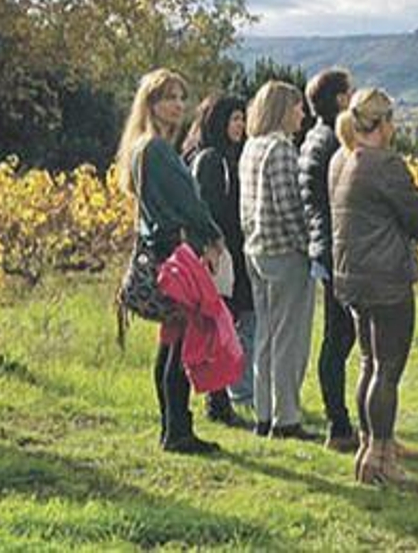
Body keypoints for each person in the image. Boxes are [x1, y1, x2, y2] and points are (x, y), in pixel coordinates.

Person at [113, 68, 227, 454]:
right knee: (181, 343)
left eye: (182, 96)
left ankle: (173, 427)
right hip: (174, 253)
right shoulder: (157, 150)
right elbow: (189, 204)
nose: (179, 104)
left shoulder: (141, 148)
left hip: (160, 250)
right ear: (152, 104)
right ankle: (178, 429)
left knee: (172, 341)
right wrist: (213, 236)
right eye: (170, 97)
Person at [329, 88, 418, 488]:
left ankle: (367, 448)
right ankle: (381, 456)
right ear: (384, 123)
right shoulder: (386, 165)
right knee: (388, 369)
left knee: (368, 363)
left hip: (352, 277)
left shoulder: (347, 161)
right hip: (386, 277)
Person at [240, 80, 318, 441]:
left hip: (256, 249)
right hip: (285, 252)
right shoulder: (282, 150)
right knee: (290, 338)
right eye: (297, 106)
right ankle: (287, 418)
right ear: (284, 109)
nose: (303, 113)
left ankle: (264, 413)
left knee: (266, 336)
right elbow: (290, 208)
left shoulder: (251, 147)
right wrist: (310, 247)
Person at [182, 93, 255, 429]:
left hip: (227, 250)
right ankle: (219, 401)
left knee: (224, 323)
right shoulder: (212, 160)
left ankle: (222, 397)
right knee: (220, 323)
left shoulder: (222, 155)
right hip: (219, 252)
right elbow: (209, 209)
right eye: (234, 119)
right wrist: (213, 246)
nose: (240, 125)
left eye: (242, 118)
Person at [299, 68, 359, 452]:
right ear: (339, 100)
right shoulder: (334, 145)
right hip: (336, 247)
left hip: (321, 245)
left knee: (336, 335)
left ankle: (339, 421)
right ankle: (338, 425)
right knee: (340, 337)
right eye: (349, 93)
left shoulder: (311, 140)